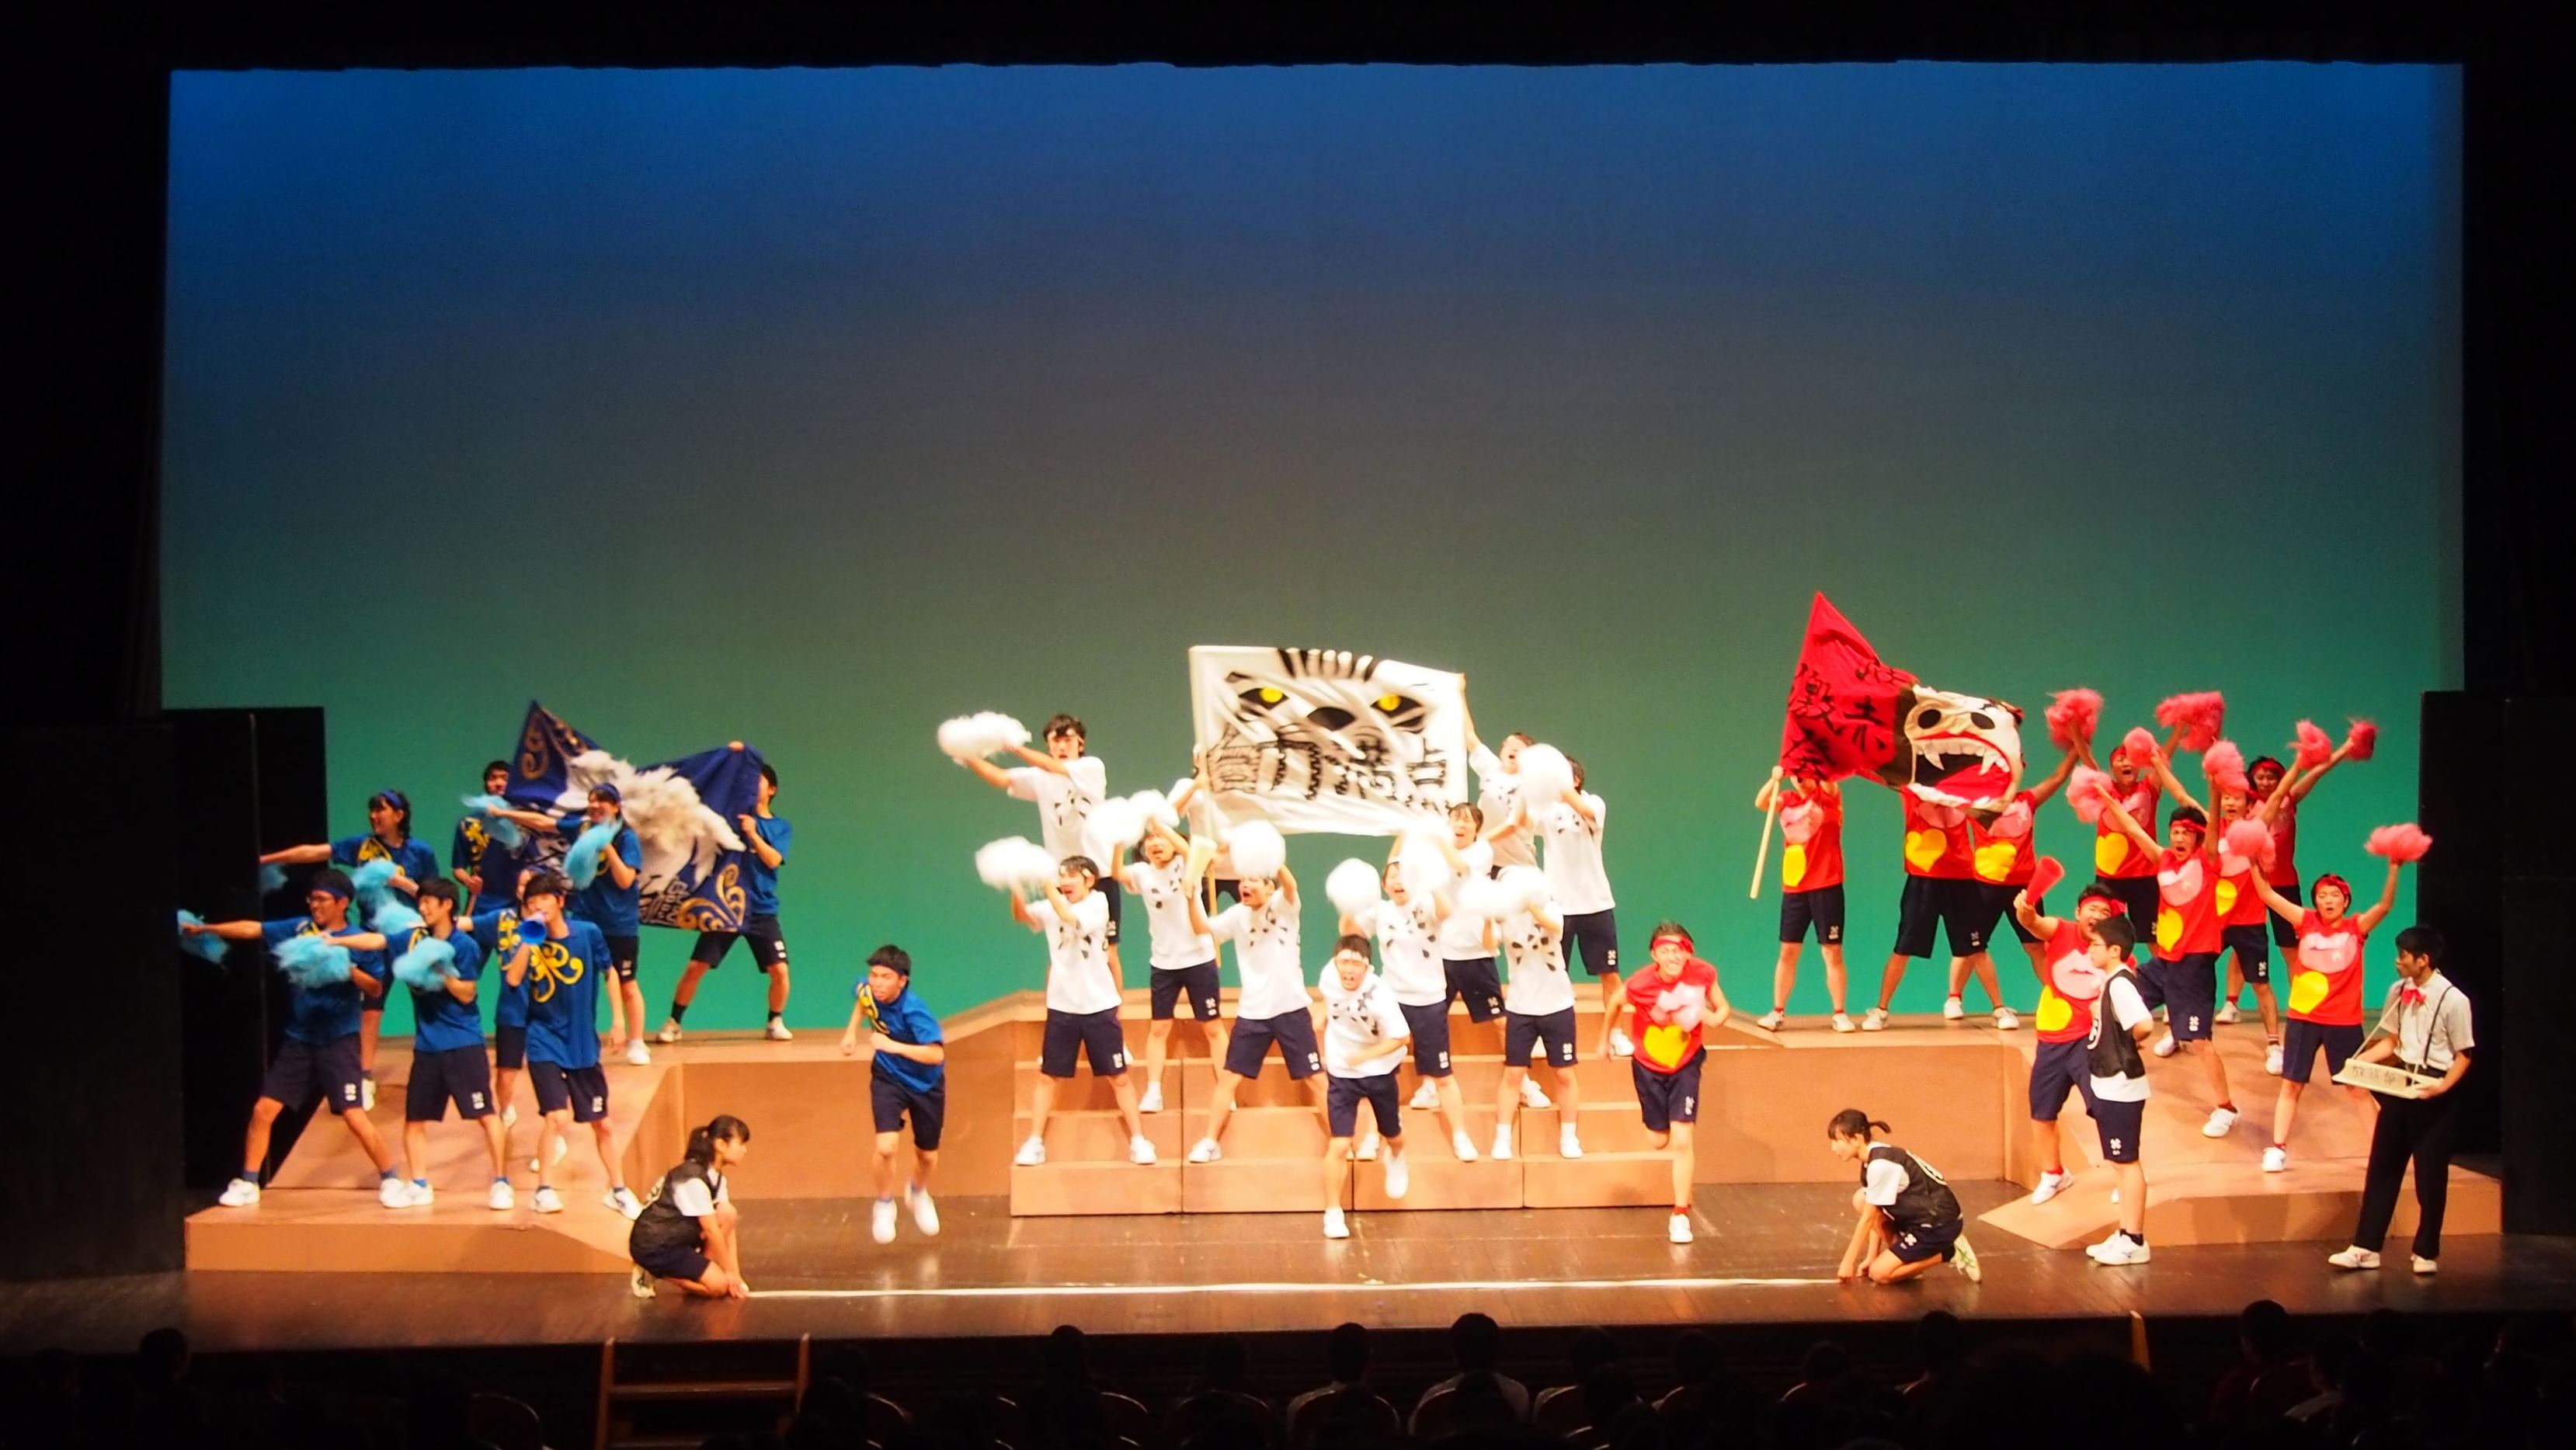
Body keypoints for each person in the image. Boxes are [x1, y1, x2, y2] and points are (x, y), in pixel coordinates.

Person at [187, 869, 405, 1208]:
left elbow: (375, 989)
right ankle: (248, 1183)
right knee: (263, 1110)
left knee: (353, 1116)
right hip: (300, 1040)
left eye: (322, 900)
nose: (314, 905)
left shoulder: (359, 940)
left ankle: (391, 1179)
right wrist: (206, 930)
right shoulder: (301, 930)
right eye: (312, 899)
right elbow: (253, 929)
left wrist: (347, 968)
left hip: (339, 1040)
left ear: (342, 903)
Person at [260, 790, 440, 1107]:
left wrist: (402, 884)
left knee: (429, 1003)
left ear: (399, 816)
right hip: (372, 939)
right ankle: (364, 1076)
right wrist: (268, 860)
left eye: (381, 810)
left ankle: (434, 1070)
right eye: (371, 811)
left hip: (412, 938)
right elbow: (315, 852)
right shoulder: (361, 846)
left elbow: (433, 896)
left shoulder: (420, 852)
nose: (374, 816)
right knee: (371, 1008)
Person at [2097, 759, 2241, 1137]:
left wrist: (2213, 786)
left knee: (2200, 1042)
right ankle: (2117, 1072)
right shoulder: (2162, 859)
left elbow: (2213, 826)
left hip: (2194, 965)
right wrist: (2105, 799)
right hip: (2165, 963)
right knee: (2117, 1003)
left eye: (2185, 833)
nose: (2178, 837)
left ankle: (2226, 1108)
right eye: (2174, 831)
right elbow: (2132, 828)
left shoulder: (2208, 861)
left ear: (2197, 837)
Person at [2245, 855, 2405, 1172]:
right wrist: (2252, 858)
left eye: (2334, 895)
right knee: (2292, 1084)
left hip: (2343, 1023)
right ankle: (2277, 1148)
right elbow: (2267, 894)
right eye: (2322, 895)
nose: (2328, 900)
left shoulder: (2356, 927)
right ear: (2315, 901)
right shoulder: (2305, 921)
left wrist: (2393, 868)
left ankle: (2381, 1154)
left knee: (2357, 1088)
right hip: (2303, 1019)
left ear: (2346, 901)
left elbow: (2385, 906)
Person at [2328, 926, 2473, 1273]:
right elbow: (2391, 1042)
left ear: (2423, 960)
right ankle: (2366, 1247)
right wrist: (2357, 1064)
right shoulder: (2398, 991)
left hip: (2434, 1090)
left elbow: (2464, 1054)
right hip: (2400, 1085)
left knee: (2429, 1174)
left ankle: (2426, 1251)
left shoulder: (2454, 1000)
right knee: (2383, 1166)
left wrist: (2442, 1088)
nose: (2397, 962)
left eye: (2403, 956)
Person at [502, 870, 641, 1218]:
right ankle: (543, 1191)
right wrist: (529, 941)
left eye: (544, 899)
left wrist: (618, 1020)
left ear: (560, 901)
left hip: (582, 1044)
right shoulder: (527, 939)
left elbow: (610, 972)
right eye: (531, 902)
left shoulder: (588, 933)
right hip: (543, 1039)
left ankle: (618, 1190)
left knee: (603, 1124)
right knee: (556, 1116)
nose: (538, 906)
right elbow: (514, 979)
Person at [489, 785, 650, 1066]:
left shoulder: (627, 838)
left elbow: (626, 880)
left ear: (615, 806)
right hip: (585, 920)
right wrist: (504, 813)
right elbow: (544, 823)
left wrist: (607, 847)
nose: (594, 806)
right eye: (591, 802)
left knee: (626, 983)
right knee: (577, 981)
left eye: (601, 802)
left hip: (619, 924)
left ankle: (636, 1042)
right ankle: (576, 1036)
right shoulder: (582, 828)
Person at [1011, 857, 1152, 1167]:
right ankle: (1034, 1143)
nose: (1064, 882)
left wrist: (1048, 888)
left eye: (1071, 876)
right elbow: (1022, 916)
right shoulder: (1052, 906)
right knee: (1048, 1077)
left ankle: (1139, 1141)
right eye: (1061, 876)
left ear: (1089, 880)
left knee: (1119, 1078)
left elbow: (1071, 920)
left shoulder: (1098, 903)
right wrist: (1015, 886)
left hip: (1099, 1006)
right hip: (1062, 1008)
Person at [961, 712, 1122, 984]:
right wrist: (967, 756)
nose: (1062, 746)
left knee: (1107, 951)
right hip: (1062, 876)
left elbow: (1050, 765)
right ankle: (1056, 1007)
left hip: (1100, 873)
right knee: (1060, 949)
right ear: (1048, 745)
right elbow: (1002, 778)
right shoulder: (1039, 777)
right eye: (1055, 741)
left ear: (1080, 743)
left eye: (1068, 740)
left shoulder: (1091, 768)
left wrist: (1014, 747)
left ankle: (1113, 1007)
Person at [378, 880, 510, 1209]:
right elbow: (377, 941)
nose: (422, 908)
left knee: (486, 1115)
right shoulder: (414, 941)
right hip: (427, 1046)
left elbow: (467, 993)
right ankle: (419, 1185)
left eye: (428, 902)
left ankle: (501, 1183)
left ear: (447, 905)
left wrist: (440, 972)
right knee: (414, 1120)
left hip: (463, 1044)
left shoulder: (463, 945)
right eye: (420, 902)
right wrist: (334, 941)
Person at [1186, 858, 1325, 1163]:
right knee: (1228, 1079)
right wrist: (1190, 895)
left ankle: (1341, 1141)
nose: (1244, 886)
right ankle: (1210, 1142)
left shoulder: (1284, 906)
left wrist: (1274, 860)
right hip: (1253, 1012)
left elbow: (1291, 885)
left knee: (1315, 1078)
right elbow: (1201, 928)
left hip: (1290, 1008)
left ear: (1269, 887)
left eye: (1253, 881)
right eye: (1243, 881)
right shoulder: (1237, 914)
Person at [1341, 850, 1477, 1162]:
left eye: (1404, 876)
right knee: (1378, 1074)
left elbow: (1446, 910)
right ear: (1384, 885)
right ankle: (1372, 1138)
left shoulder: (1427, 903)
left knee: (1442, 1075)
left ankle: (1460, 1136)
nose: (1398, 881)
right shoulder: (1380, 911)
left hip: (1429, 1001)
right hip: (1391, 1001)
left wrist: (1432, 881)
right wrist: (1348, 903)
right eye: (1392, 877)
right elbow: (1349, 932)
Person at [1599, 921, 1728, 1242]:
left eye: (1679, 950)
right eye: (1665, 951)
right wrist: (1605, 1039)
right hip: (1648, 1067)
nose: (1673, 956)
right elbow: (1615, 1002)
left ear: (1689, 953)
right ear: (1654, 955)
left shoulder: (1702, 974)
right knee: (1659, 1140)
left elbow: (1722, 1007)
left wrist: (1713, 1017)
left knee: (1683, 1141)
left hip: (1686, 1063)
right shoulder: (1641, 983)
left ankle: (1680, 1215)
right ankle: (1662, 1121)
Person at [660, 751, 794, 1042]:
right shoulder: (732, 818)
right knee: (696, 967)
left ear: (772, 789)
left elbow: (773, 860)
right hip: (725, 905)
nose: (753, 785)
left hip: (761, 909)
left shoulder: (780, 827)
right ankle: (674, 1022)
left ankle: (775, 1021)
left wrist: (753, 834)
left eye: (759, 781)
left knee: (780, 971)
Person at [2010, 884, 2126, 1205]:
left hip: (2091, 1040)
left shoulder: (2114, 950)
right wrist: (2025, 910)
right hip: (2052, 1040)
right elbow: (2033, 923)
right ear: (2078, 913)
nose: (2097, 916)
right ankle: (2054, 1174)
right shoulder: (2061, 930)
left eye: (2104, 912)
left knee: (2105, 1110)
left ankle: (2125, 1176)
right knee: (2042, 1112)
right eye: (2092, 910)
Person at [1952, 741, 2078, 1028]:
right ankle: (1960, 999)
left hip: (2025, 889)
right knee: (1972, 946)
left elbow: (2058, 777)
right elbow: (1947, 792)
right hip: (1985, 887)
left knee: (2036, 947)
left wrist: (2076, 747)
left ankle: (2060, 997)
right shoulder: (1978, 805)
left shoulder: (2028, 801)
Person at [1114, 816, 1226, 1116]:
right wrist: (1119, 839)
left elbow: (1190, 851)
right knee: (1159, 1028)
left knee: (1213, 1028)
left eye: (1161, 838)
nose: (1155, 843)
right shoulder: (1142, 873)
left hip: (1199, 959)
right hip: (1164, 963)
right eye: (1149, 839)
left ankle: (1226, 1089)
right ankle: (1154, 1091)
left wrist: (1160, 824)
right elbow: (1117, 872)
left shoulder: (1186, 864)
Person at [1435, 802, 1545, 1109]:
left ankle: (1524, 1084)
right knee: (1431, 1022)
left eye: (1466, 821)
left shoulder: (1481, 852)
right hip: (1442, 953)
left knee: (1500, 1022)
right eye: (1455, 820)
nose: (1460, 825)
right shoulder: (1437, 854)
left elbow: (1458, 866)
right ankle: (1431, 1084)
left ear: (1477, 829)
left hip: (1475, 954)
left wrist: (1433, 837)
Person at [2235, 746, 2355, 1019]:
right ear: (2252, 779)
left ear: (2281, 780)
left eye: (2272, 778)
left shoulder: (2289, 800)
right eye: (2260, 777)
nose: (2266, 782)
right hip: (2251, 884)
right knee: (2243, 944)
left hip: (2285, 885)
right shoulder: (2245, 804)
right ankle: (2232, 1003)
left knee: (2292, 950)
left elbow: (2319, 771)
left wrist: (2347, 747)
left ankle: (2300, 1007)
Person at [842, 944, 946, 1243]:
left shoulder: (915, 1011)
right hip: (888, 1078)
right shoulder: (869, 990)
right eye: (874, 975)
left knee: (927, 1155)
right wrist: (851, 1032)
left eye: (886, 977)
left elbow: (936, 1055)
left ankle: (918, 1192)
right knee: (886, 1147)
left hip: (926, 1084)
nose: (877, 983)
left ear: (902, 981)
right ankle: (885, 1203)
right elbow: (863, 1000)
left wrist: (893, 1046)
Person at [1862, 787, 1987, 1031]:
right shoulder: (1913, 790)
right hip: (1923, 879)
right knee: (1903, 948)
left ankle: (1997, 1007)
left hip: (1961, 877)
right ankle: (1881, 1009)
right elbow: (1885, 772)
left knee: (1975, 948)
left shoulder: (1963, 790)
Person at [1530, 758, 1629, 1056]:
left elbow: (1585, 811)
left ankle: (1616, 1034)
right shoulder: (1546, 812)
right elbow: (1522, 821)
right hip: (1557, 907)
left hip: (1596, 904)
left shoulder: (1594, 803)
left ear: (1575, 780)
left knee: (1609, 974)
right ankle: (1540, 1037)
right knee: (1548, 973)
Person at [1317, 935, 1411, 1239]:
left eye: (1356, 964)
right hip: (1342, 1073)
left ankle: (1396, 1156)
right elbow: (1330, 1000)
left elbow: (1402, 1037)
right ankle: (1333, 1212)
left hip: (1379, 1070)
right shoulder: (1328, 978)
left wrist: (1365, 1056)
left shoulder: (1380, 995)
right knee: (1340, 1144)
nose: (1349, 969)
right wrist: (1322, 1016)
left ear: (1367, 967)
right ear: (1335, 963)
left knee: (1393, 1135)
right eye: (1344, 962)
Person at [2079, 913, 2156, 1264]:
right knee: (2118, 1163)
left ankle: (2135, 1240)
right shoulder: (2111, 982)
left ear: (2114, 950)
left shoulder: (2121, 985)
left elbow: (2144, 1024)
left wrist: (2127, 1042)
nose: (2090, 950)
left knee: (2127, 1163)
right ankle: (2125, 1233)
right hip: (2107, 1085)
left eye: (2095, 945)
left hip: (2121, 1086)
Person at [1828, 1109, 1981, 1284]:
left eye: (1837, 1141)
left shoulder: (1881, 1165)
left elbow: (1868, 1219)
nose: (1833, 1148)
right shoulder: (1872, 1157)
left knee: (1879, 1274)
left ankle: (1951, 1252)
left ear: (1857, 1139)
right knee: (1861, 1199)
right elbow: (1876, 1209)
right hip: (1918, 1218)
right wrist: (1871, 1257)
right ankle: (1908, 1260)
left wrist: (1848, 1262)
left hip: (1938, 1224)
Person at [1492, 869, 1583, 1161]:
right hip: (1520, 1007)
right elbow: (1489, 944)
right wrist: (1488, 917)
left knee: (1564, 1074)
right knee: (1513, 1074)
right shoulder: (1504, 919)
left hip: (1558, 1005)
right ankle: (1502, 1138)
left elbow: (1555, 927)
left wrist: (1529, 904)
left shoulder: (1550, 908)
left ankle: (1569, 1137)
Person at [1755, 774, 1852, 1031]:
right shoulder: (1787, 799)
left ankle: (1840, 1013)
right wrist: (1775, 778)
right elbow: (1761, 803)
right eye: (1795, 775)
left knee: (1832, 951)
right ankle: (1777, 1012)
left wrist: (1817, 765)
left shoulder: (1827, 795)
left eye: (1804, 772)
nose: (1800, 778)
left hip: (1827, 884)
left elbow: (1830, 780)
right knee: (1788, 951)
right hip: (1795, 885)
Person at [629, 1115, 752, 1298]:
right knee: (719, 1287)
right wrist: (727, 1274)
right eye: (741, 1144)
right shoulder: (692, 1181)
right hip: (656, 1246)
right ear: (721, 1145)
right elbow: (711, 1230)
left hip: (678, 1238)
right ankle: (652, 1271)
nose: (744, 1150)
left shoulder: (716, 1177)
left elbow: (728, 1223)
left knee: (728, 1213)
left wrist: (734, 1274)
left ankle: (700, 1271)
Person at [2213, 785, 2289, 1075]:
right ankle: (2180, 1032)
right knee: (2190, 975)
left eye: (2237, 798)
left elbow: (2278, 797)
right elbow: (2183, 796)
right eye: (2226, 797)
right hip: (2215, 921)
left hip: (2250, 923)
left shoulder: (2256, 830)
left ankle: (2274, 1044)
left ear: (2249, 804)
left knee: (2261, 984)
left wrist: (2301, 764)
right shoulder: (2213, 828)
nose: (2230, 802)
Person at [459, 875, 536, 1156]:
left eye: (530, 885)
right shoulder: (502, 919)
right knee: (505, 1075)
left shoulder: (553, 924)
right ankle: (506, 1111)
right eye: (521, 884)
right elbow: (467, 924)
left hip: (546, 1011)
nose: (524, 889)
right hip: (512, 1011)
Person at [1462, 700, 1538, 871]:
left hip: (1518, 865)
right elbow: (1469, 735)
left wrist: (1479, 840)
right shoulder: (1491, 768)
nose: (1513, 748)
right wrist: (1459, 694)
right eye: (1508, 745)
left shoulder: (1530, 783)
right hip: (1487, 862)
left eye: (1519, 747)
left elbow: (1514, 824)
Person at [451, 761, 513, 914]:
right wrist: (469, 881)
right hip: (481, 902)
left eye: (505, 778)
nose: (498, 783)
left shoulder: (525, 823)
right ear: (486, 784)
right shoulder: (468, 824)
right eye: (493, 778)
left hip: (519, 900)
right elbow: (458, 868)